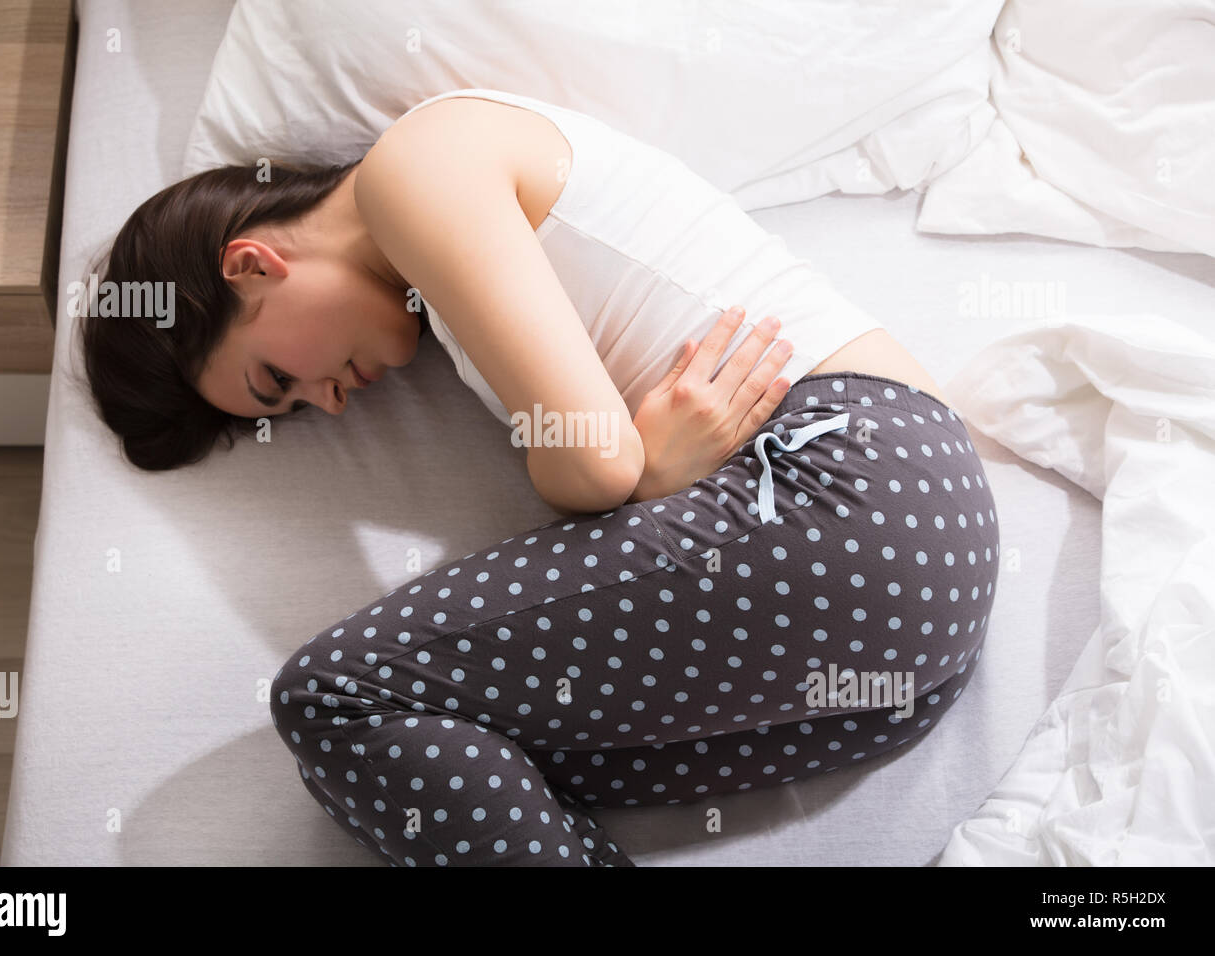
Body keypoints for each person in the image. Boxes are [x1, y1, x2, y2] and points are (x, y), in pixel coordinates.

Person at [80, 89, 1000, 866]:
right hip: (900, 638)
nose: (324, 406)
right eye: (288, 412)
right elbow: (604, 453)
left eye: (276, 378)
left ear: (251, 264)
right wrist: (636, 472)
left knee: (335, 698)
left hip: (850, 485)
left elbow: (596, 456)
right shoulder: (444, 283)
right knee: (448, 755)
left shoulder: (419, 164)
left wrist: (638, 481)